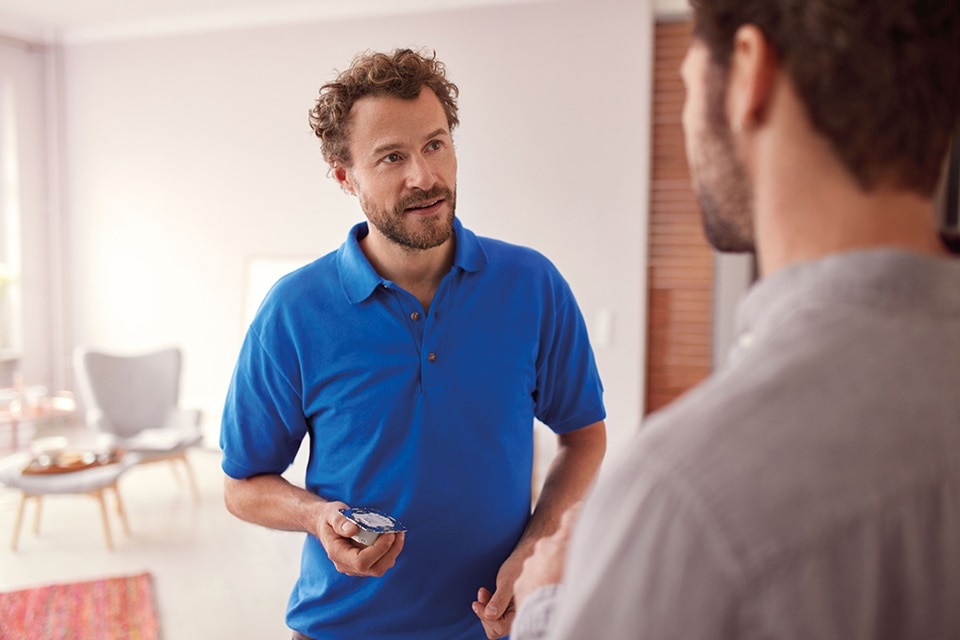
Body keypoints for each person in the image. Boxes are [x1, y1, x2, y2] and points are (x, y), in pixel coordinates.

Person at [511, 0, 960, 638]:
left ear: (748, 73)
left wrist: (544, 606)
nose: (687, 115)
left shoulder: (684, 497)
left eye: (689, 82)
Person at [219, 48, 607, 640]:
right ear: (345, 176)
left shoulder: (532, 285)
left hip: (491, 625)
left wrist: (535, 549)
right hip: (338, 628)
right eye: (391, 157)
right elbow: (241, 485)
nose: (424, 176)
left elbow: (583, 437)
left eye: (435, 145)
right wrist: (316, 516)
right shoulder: (293, 311)